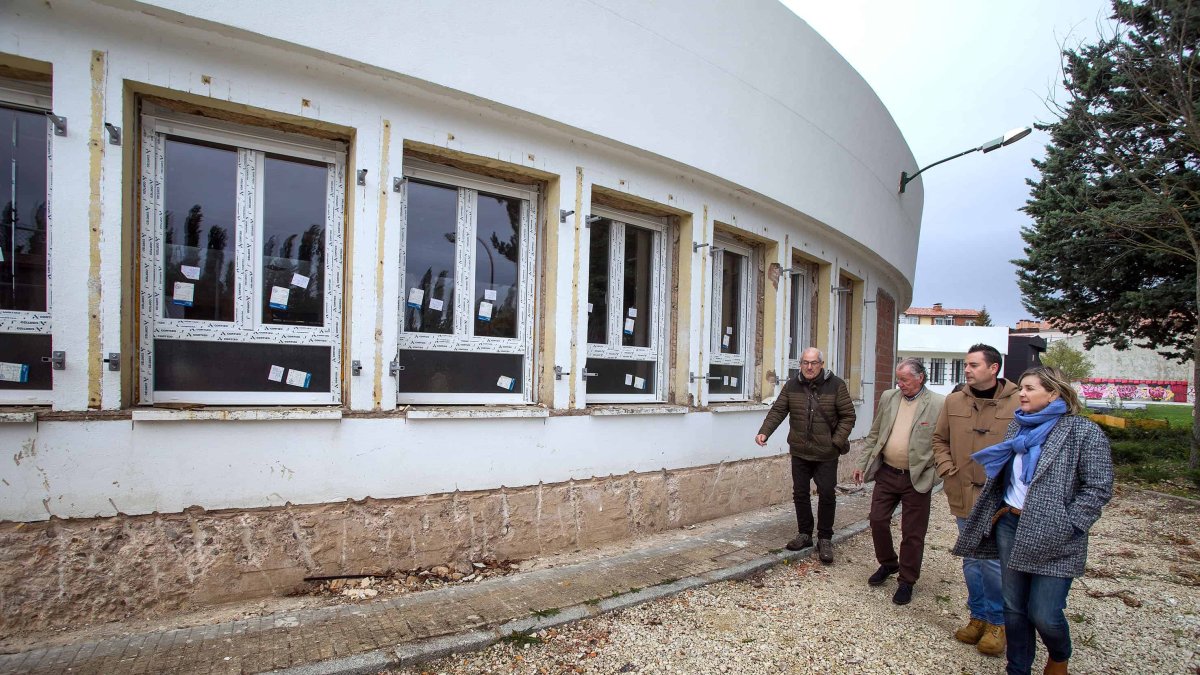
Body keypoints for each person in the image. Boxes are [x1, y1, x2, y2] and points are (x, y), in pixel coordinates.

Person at [953, 366, 1113, 675]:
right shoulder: (1019, 428)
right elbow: (1005, 480)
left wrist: (1072, 524)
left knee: (1044, 613)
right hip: (1011, 527)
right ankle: (1018, 668)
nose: (1021, 394)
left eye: (1029, 388)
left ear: (1053, 393)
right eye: (1021, 388)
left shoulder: (1082, 431)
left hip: (1057, 536)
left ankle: (1059, 655)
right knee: (1013, 609)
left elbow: (1098, 487)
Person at [932, 343, 1018, 656]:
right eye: (966, 365)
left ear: (994, 369)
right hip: (962, 491)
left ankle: (998, 622)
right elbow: (939, 439)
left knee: (994, 561)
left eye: (973, 365)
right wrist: (947, 469)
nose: (967, 370)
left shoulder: (1019, 401)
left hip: (999, 497)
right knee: (971, 559)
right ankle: (978, 616)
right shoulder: (954, 400)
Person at [853, 358, 945, 605]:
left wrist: (936, 475)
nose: (899, 384)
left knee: (913, 533)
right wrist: (862, 464)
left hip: (917, 478)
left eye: (904, 379)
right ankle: (888, 563)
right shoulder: (889, 398)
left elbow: (945, 443)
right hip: (887, 473)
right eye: (898, 379)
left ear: (920, 378)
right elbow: (875, 433)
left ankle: (906, 581)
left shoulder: (938, 403)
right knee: (877, 519)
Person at [756, 347, 856, 564]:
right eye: (805, 363)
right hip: (800, 451)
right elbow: (778, 410)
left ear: (821, 364)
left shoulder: (836, 385)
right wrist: (765, 431)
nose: (809, 367)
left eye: (813, 363)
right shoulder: (792, 385)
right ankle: (804, 534)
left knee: (827, 494)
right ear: (800, 364)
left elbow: (848, 416)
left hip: (826, 454)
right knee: (800, 493)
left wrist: (836, 442)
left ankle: (825, 538)